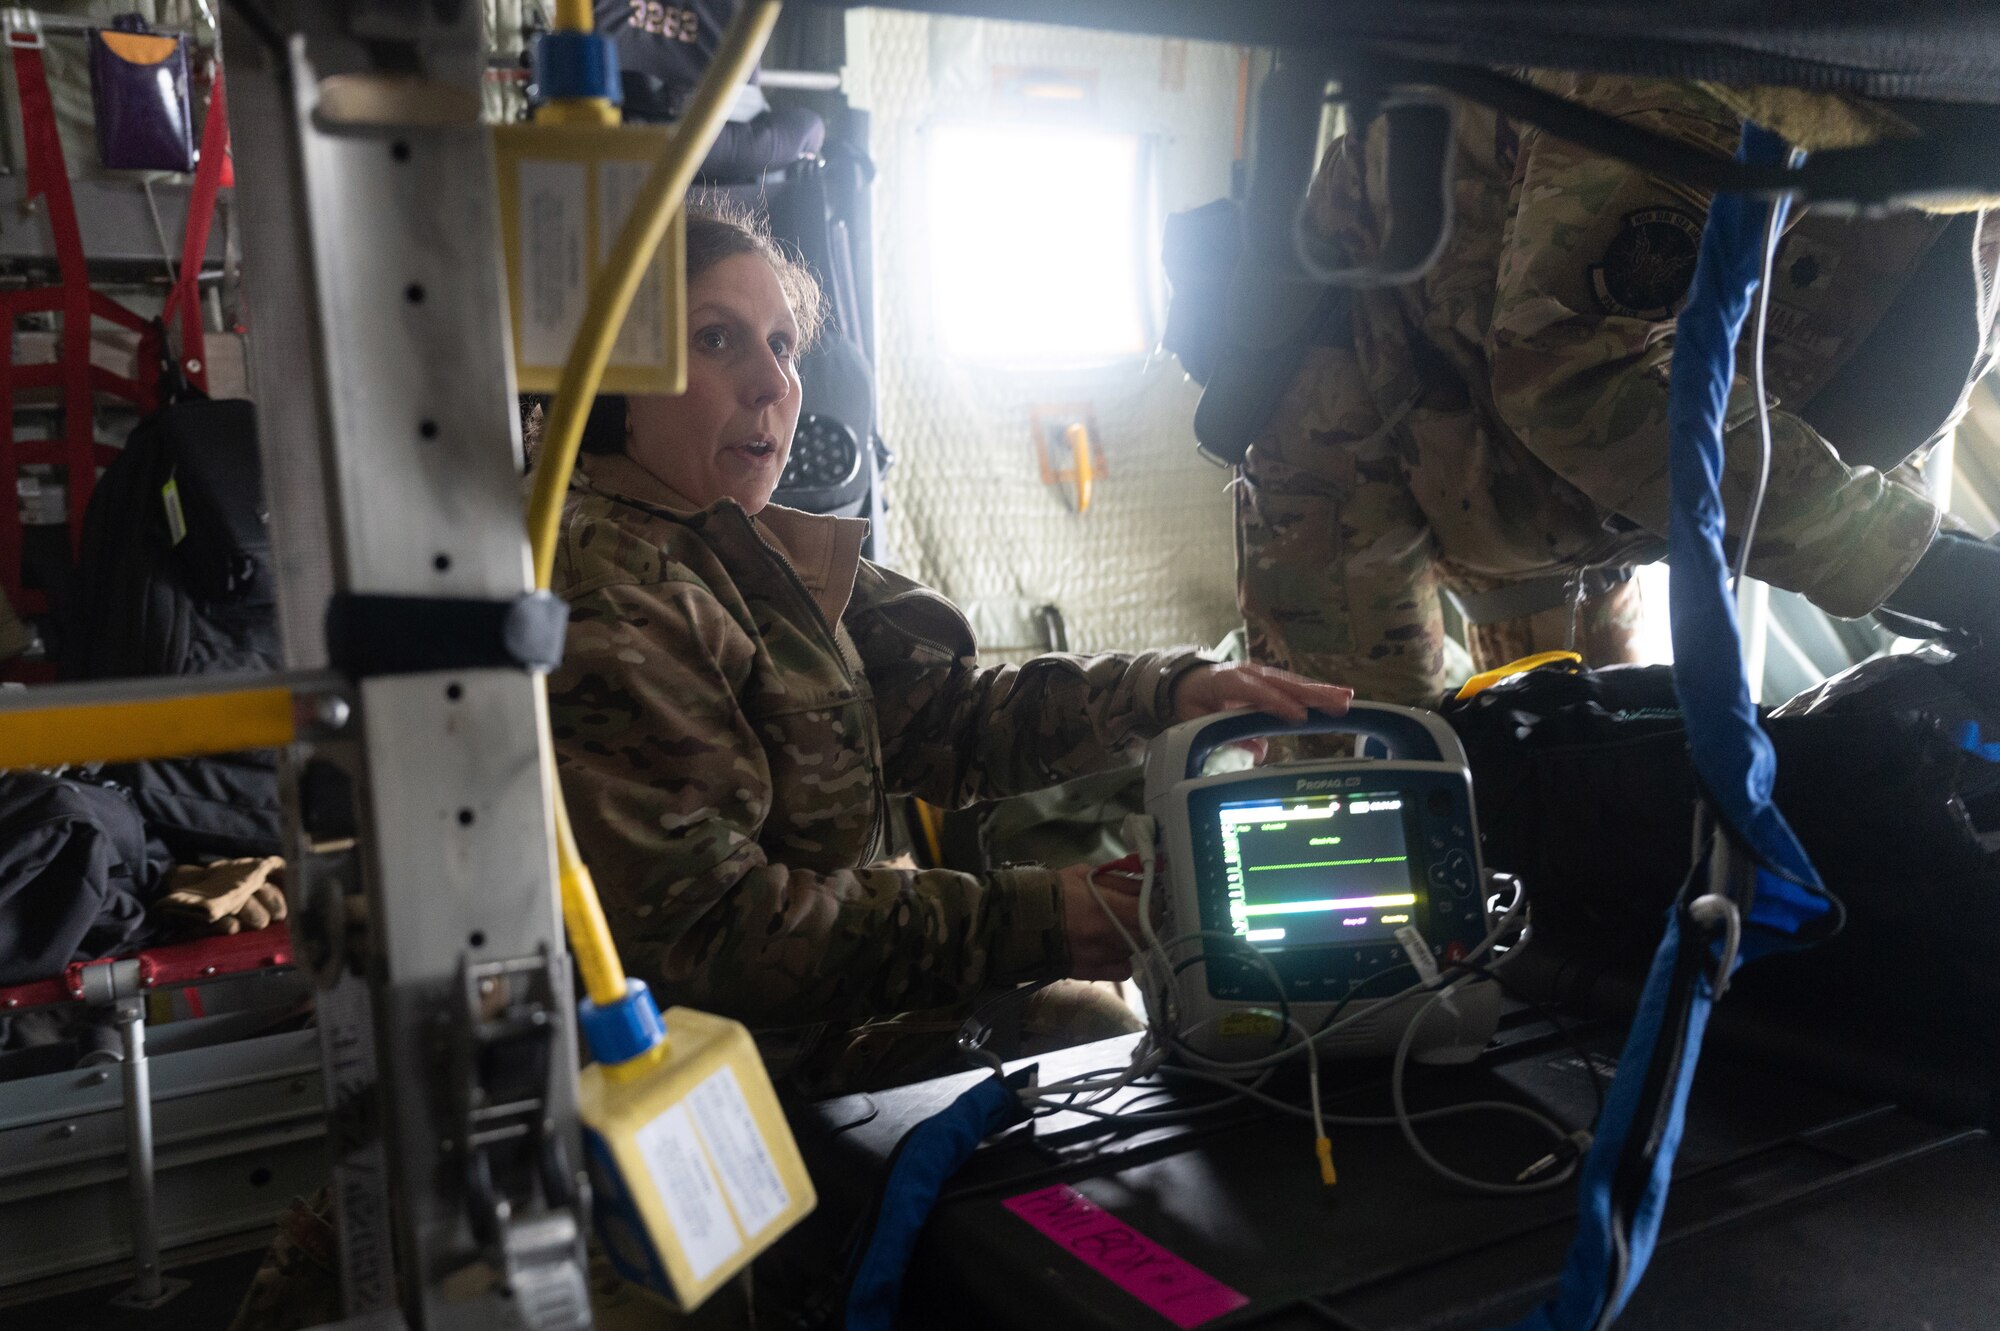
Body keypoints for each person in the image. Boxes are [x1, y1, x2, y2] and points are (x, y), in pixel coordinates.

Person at [542, 197, 1352, 1091]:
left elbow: (949, 720)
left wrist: (1168, 691)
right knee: (1099, 1039)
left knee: (1108, 1028)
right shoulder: (611, 593)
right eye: (718, 340)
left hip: (808, 1030)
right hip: (730, 1081)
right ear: (612, 379)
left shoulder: (738, 547)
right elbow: (717, 932)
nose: (774, 385)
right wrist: (1047, 918)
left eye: (782, 345)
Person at [1233, 73, 2000, 708]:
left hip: (1573, 507)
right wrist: (1915, 561)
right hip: (1370, 414)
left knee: (1605, 804)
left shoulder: (1973, 170)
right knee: (1373, 800)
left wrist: (1921, 558)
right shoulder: (1730, 76)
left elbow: (1876, 407)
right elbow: (1576, 367)